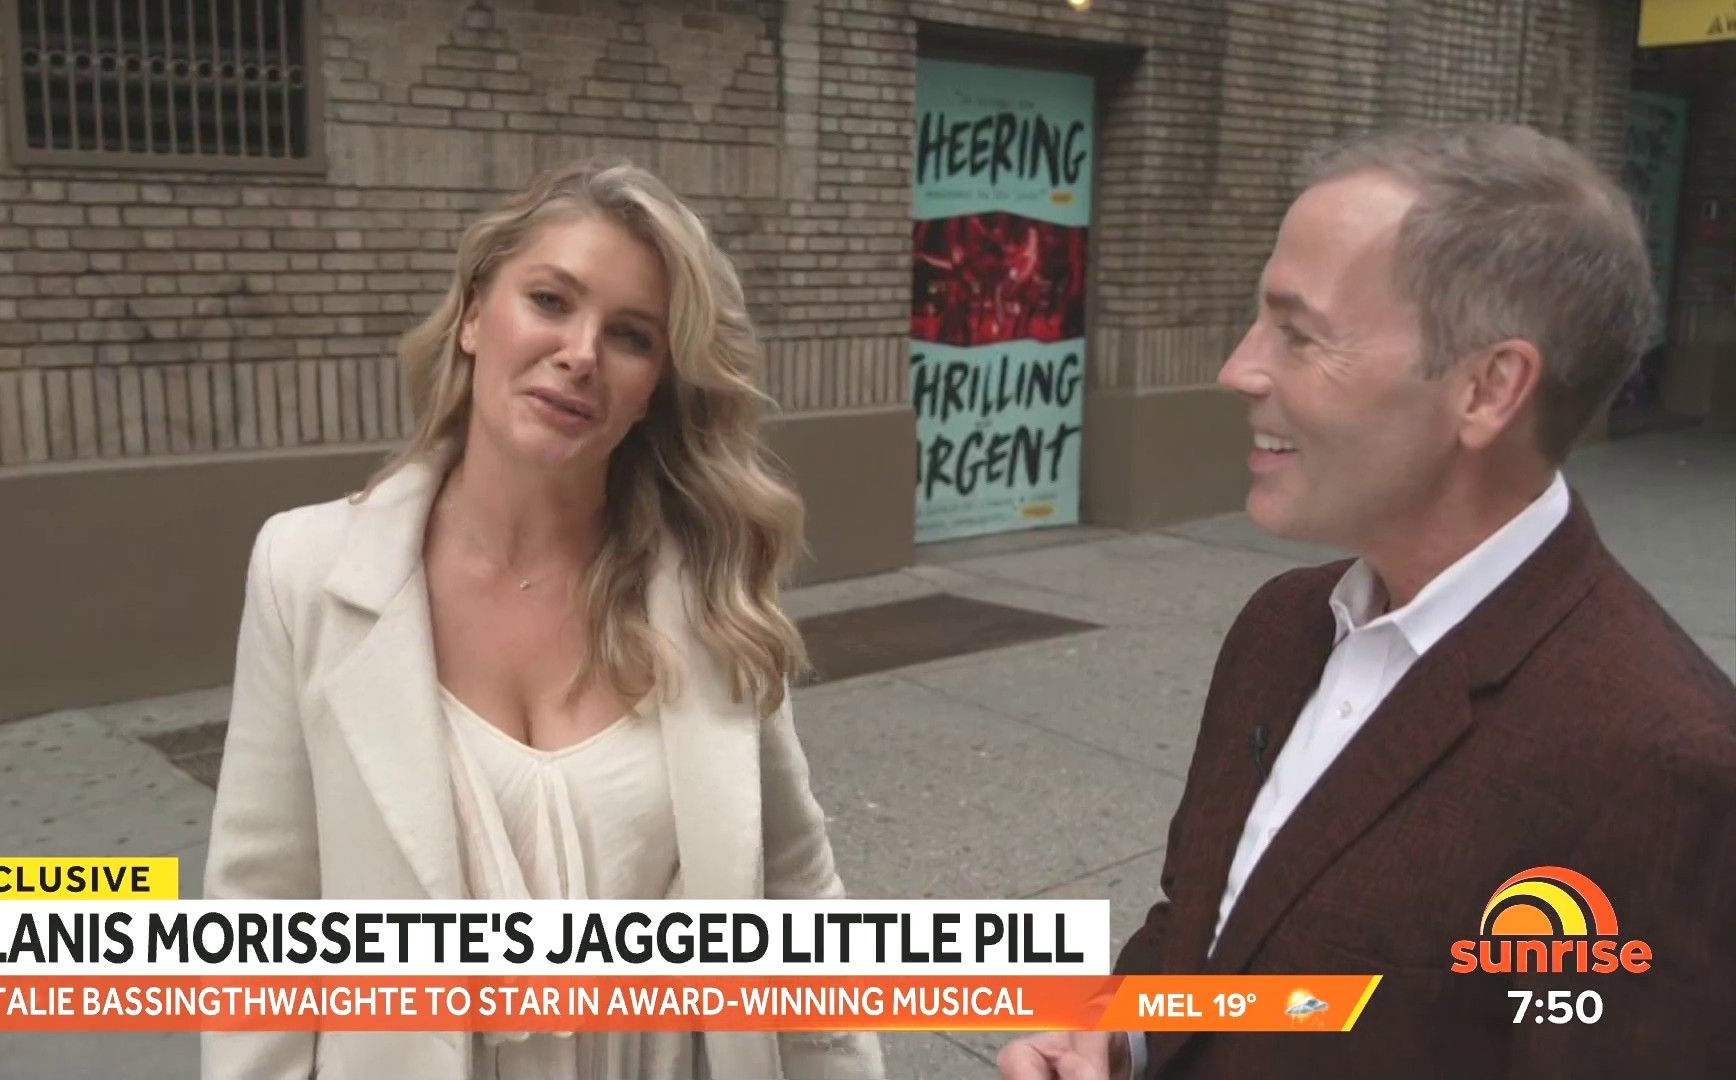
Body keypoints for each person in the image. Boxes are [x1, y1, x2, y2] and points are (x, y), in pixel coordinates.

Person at [1001, 124, 1736, 1079]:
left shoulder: (1663, 766)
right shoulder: (1283, 626)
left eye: (1300, 334)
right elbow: (1206, 927)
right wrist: (1114, 1033)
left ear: (1489, 388)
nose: (1238, 369)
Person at [203, 160, 885, 1080]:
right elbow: (262, 914)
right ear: (474, 315)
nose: (581, 353)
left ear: (655, 386)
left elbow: (798, 889)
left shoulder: (707, 591)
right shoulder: (306, 570)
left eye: (632, 336)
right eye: (551, 300)